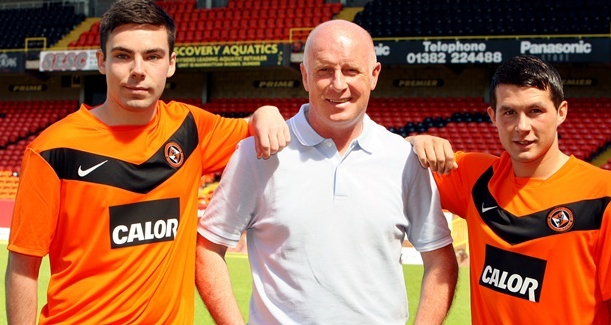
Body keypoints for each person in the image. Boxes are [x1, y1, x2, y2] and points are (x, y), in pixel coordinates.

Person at [4, 1, 289, 324]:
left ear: (170, 64)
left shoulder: (191, 128)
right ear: (102, 61)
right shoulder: (52, 150)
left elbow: (254, 128)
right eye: (123, 55)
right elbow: (23, 266)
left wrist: (267, 111)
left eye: (152, 56)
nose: (138, 69)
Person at [195, 20, 458, 325]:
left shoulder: (404, 159)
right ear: (305, 76)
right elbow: (207, 251)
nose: (338, 84)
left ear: (374, 76)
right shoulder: (257, 154)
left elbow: (440, 259)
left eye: (351, 70)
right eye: (324, 70)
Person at [410, 55, 611, 324]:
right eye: (509, 112)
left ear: (561, 112)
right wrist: (414, 142)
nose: (522, 127)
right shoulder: (474, 176)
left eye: (535, 111)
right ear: (492, 116)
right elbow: (389, 169)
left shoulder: (605, 193)